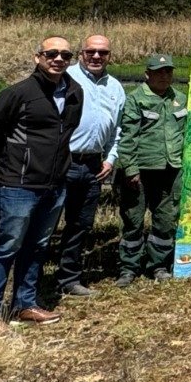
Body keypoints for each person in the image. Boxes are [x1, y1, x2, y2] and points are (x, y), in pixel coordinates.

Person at [0, 38, 84, 324]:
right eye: (51, 54)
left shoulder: (75, 92)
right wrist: (15, 162)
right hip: (18, 186)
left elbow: (67, 135)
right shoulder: (18, 93)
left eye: (65, 54)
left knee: (36, 247)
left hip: (55, 186)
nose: (58, 59)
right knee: (6, 247)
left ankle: (24, 304)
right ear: (38, 57)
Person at [53, 34, 126, 298]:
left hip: (94, 164)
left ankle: (69, 279)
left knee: (80, 225)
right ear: (81, 53)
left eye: (102, 53)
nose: (96, 56)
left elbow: (118, 129)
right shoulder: (65, 78)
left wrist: (110, 158)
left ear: (109, 56)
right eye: (91, 51)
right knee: (45, 223)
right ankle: (31, 279)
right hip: (63, 162)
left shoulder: (116, 87)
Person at [114, 54, 187, 286]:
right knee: (133, 220)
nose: (164, 76)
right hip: (141, 171)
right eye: (159, 71)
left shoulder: (181, 99)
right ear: (148, 74)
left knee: (165, 221)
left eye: (168, 71)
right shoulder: (136, 99)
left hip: (171, 169)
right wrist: (130, 169)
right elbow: (127, 138)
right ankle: (128, 267)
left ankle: (159, 265)